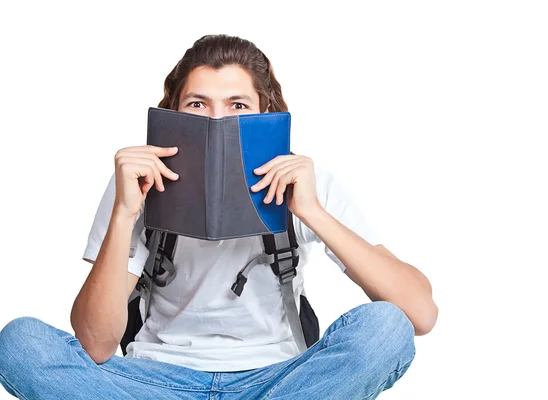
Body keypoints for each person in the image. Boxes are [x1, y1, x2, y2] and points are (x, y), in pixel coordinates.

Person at [0, 34, 438, 399]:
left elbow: (418, 314)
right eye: (198, 104)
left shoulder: (308, 182)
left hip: (278, 381)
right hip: (156, 382)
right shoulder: (136, 183)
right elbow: (95, 344)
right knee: (21, 343)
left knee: (384, 327)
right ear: (174, 112)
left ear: (265, 111)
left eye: (237, 105)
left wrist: (311, 212)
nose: (217, 119)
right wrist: (124, 213)